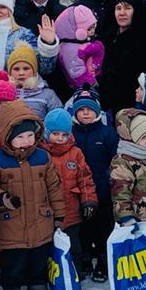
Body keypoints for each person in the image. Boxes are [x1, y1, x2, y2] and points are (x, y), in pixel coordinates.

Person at [0, 101, 66, 290]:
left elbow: (54, 187)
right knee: (13, 270)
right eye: (20, 137)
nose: (26, 141)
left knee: (38, 266)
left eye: (29, 135)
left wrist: (58, 216)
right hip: (12, 227)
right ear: (8, 137)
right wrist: (2, 198)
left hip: (40, 224)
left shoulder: (42, 158)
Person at [42, 107, 99, 273]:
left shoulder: (75, 153)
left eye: (64, 135)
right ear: (47, 133)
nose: (60, 138)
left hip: (71, 210)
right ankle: (50, 277)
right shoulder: (41, 154)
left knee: (74, 246)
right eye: (55, 134)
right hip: (48, 213)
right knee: (49, 248)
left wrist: (89, 201)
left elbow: (85, 179)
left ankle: (75, 274)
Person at [70, 89, 118, 282]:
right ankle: (85, 259)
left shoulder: (107, 133)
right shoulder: (71, 133)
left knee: (102, 227)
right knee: (82, 228)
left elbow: (115, 159)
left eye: (89, 109)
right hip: (77, 191)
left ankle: (103, 261)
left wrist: (110, 180)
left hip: (102, 189)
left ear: (97, 111)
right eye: (81, 110)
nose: (85, 113)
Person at [97, 0, 146, 115]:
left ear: (136, 11)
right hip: (105, 106)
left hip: (131, 107)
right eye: (118, 8)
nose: (122, 13)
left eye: (127, 8)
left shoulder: (144, 41)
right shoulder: (106, 38)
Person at [6, 41, 64, 120]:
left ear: (34, 71)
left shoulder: (48, 95)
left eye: (26, 68)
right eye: (16, 69)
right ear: (10, 72)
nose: (21, 73)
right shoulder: (3, 95)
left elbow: (59, 120)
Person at [53, 4, 105, 92]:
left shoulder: (79, 43)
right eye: (89, 29)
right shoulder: (70, 49)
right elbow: (76, 72)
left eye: (93, 27)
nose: (92, 31)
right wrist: (92, 84)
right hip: (83, 89)